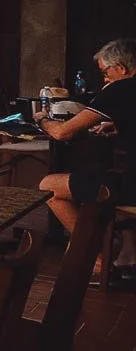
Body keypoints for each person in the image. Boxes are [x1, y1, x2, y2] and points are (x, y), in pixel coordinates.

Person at [38, 38, 136, 271]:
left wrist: (42, 120)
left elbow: (62, 133)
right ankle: (130, 254)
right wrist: (118, 125)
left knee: (49, 186)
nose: (104, 80)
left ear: (120, 68)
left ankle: (99, 259)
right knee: (105, 177)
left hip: (133, 188)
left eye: (105, 73)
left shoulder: (120, 88)